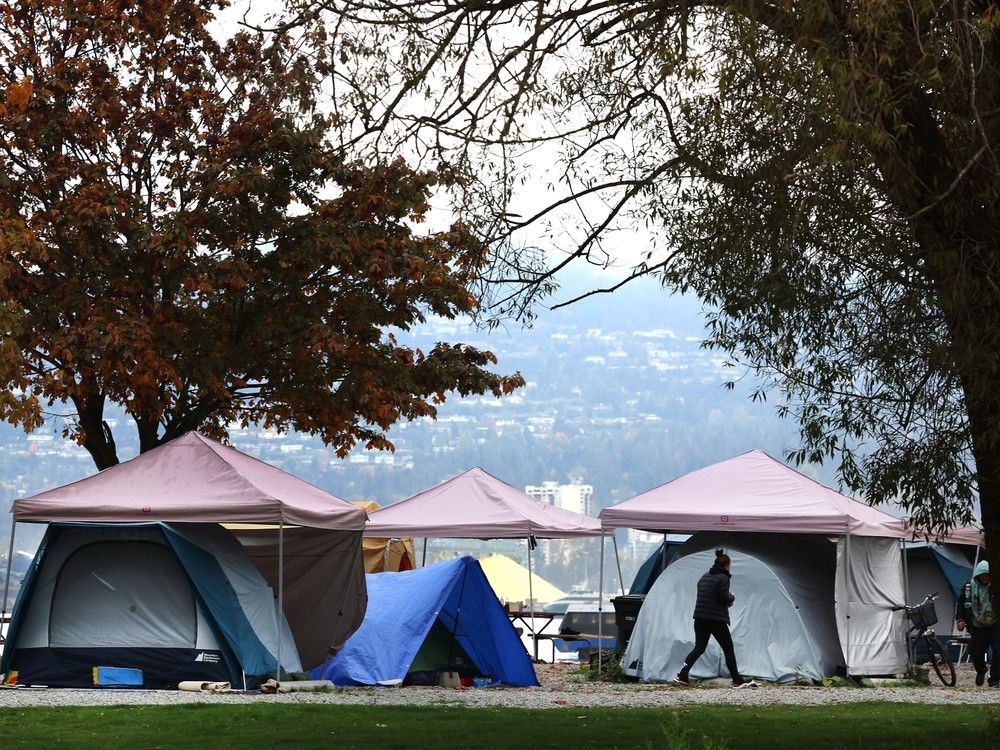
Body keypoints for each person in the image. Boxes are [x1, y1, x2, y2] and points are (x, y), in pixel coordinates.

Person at [673, 548, 758, 688]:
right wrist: (731, 597)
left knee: (699, 648)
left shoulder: (705, 576)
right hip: (715, 620)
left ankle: (682, 674)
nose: (730, 568)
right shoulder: (723, 578)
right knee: (728, 648)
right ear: (726, 565)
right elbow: (723, 598)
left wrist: (723, 600)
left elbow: (708, 596)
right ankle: (737, 680)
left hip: (700, 618)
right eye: (730, 566)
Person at [955, 559, 997, 687]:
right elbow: (961, 603)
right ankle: (981, 670)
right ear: (978, 575)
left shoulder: (995, 585)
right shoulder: (969, 586)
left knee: (998, 651)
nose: (985, 577)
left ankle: (994, 679)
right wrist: (960, 619)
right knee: (974, 652)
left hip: (994, 625)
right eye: (982, 575)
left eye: (987, 575)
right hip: (977, 626)